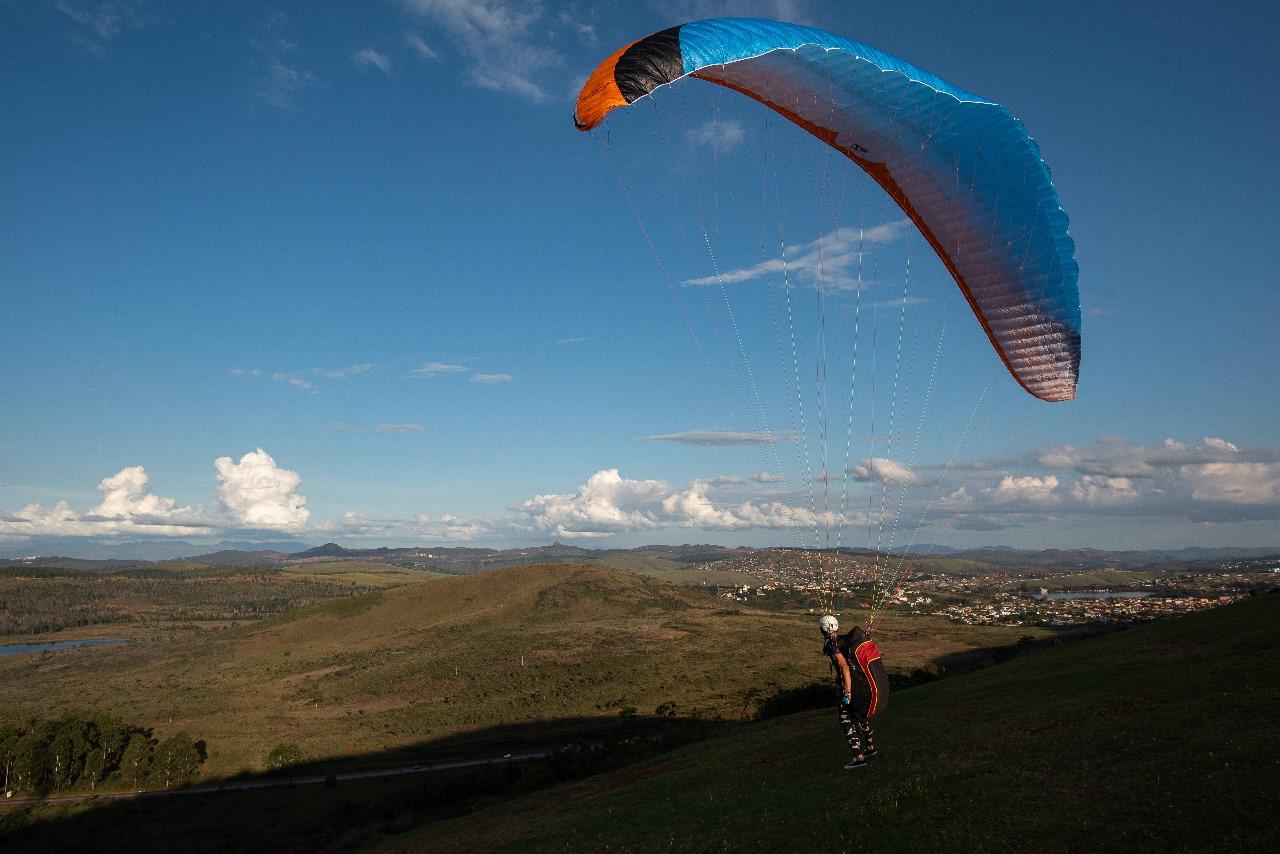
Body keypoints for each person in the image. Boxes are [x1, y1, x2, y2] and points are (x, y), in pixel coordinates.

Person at [820, 615, 878, 769]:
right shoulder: (844, 640)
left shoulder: (834, 646)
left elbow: (844, 667)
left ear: (822, 630)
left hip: (848, 687)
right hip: (858, 684)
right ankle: (870, 748)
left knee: (845, 719)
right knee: (859, 715)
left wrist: (847, 691)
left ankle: (858, 757)